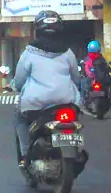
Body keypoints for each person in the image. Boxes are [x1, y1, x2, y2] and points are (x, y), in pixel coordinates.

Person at [11, 10, 81, 168]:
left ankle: (24, 155)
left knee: (19, 118)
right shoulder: (68, 53)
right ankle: (75, 149)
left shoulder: (29, 52)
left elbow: (20, 80)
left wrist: (17, 87)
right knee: (75, 121)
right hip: (66, 102)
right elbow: (76, 78)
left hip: (36, 105)